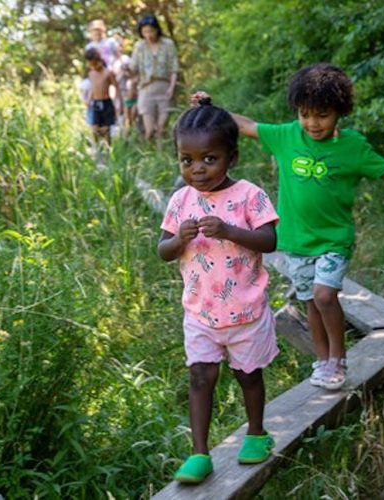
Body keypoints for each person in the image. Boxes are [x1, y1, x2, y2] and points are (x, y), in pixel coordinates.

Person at [192, 63, 384, 391]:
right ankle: (323, 361)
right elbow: (246, 125)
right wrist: (211, 108)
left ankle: (339, 359)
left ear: (339, 112)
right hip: (297, 242)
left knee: (325, 295)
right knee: (310, 303)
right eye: (305, 114)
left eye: (322, 115)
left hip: (334, 240)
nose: (312, 123)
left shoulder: (353, 147)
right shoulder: (287, 136)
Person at [158, 98, 280, 483]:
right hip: (200, 313)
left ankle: (256, 434)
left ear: (232, 157)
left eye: (209, 158)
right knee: (200, 378)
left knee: (248, 377)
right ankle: (199, 453)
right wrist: (179, 239)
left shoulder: (248, 195)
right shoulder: (181, 201)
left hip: (246, 312)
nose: (197, 169)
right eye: (186, 159)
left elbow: (269, 240)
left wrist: (229, 231)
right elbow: (162, 251)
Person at [129, 14, 178, 141]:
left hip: (164, 88)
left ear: (157, 29)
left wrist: (172, 88)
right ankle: (148, 156)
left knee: (162, 128)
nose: (148, 35)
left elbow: (174, 68)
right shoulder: (139, 46)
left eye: (151, 31)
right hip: (146, 89)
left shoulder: (168, 44)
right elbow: (133, 67)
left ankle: (161, 155)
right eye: (145, 32)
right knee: (149, 130)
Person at [84, 48, 123, 148]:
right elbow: (93, 87)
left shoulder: (108, 73)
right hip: (96, 103)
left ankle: (108, 151)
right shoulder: (91, 73)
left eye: (95, 64)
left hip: (106, 102)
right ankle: (96, 151)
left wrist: (119, 103)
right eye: (91, 65)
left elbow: (116, 88)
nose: (93, 67)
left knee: (106, 130)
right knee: (94, 129)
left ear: (99, 61)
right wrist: (89, 99)